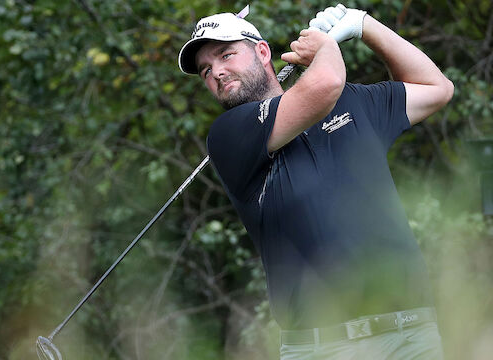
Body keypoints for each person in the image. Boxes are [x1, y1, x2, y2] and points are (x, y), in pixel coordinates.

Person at [178, 4, 453, 359]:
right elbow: (325, 83)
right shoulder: (228, 135)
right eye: (205, 70)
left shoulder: (353, 102)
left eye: (226, 55)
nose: (216, 71)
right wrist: (325, 48)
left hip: (410, 335)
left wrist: (364, 25)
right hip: (323, 345)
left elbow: (437, 88)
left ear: (262, 52)